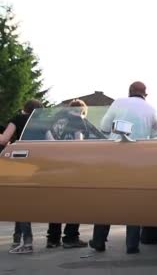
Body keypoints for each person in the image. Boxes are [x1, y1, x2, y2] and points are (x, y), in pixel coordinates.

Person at [89, 81, 157, 254]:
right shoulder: (151, 110)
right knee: (133, 200)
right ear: (145, 94)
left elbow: (105, 127)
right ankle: (132, 245)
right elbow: (153, 135)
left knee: (107, 199)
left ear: (129, 92)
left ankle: (99, 240)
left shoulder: (118, 103)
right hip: (138, 160)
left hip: (114, 158)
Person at [0, 99, 43, 254]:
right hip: (38, 164)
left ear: (24, 108)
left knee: (19, 203)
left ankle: (27, 242)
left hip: (20, 162)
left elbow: (4, 139)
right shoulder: (42, 123)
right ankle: (16, 240)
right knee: (21, 201)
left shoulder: (18, 119)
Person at [45, 99, 89, 249]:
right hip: (71, 167)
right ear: (82, 110)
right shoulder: (78, 119)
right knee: (75, 203)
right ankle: (70, 238)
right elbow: (79, 145)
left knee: (55, 203)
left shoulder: (55, 119)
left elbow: (48, 140)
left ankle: (52, 239)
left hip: (53, 166)